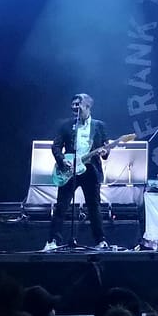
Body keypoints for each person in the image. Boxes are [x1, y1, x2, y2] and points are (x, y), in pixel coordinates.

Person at [44, 93, 110, 251]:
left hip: (91, 171)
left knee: (94, 206)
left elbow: (106, 148)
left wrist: (105, 152)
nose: (74, 107)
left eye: (77, 104)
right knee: (61, 206)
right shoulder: (66, 125)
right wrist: (62, 160)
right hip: (69, 170)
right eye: (72, 104)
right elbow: (56, 146)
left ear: (87, 106)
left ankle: (100, 241)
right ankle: (53, 241)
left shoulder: (99, 125)